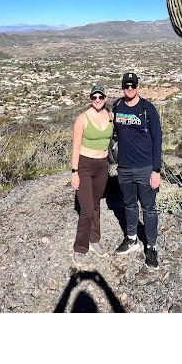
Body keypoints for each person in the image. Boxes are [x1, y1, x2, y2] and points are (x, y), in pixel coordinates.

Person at [112, 72, 162, 270]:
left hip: (145, 168)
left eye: (133, 86)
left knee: (149, 208)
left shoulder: (147, 109)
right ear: (123, 87)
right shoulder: (117, 106)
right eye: (127, 86)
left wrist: (156, 170)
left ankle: (151, 247)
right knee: (129, 205)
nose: (130, 89)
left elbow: (157, 140)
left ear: (138, 87)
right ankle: (132, 238)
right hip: (124, 167)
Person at [70, 83, 113, 266]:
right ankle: (80, 247)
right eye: (94, 97)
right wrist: (74, 172)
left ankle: (95, 239)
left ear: (105, 98)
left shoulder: (110, 116)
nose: (97, 100)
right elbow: (75, 147)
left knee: (96, 205)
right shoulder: (82, 119)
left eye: (100, 97)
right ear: (90, 99)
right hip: (85, 166)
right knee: (87, 210)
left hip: (102, 166)